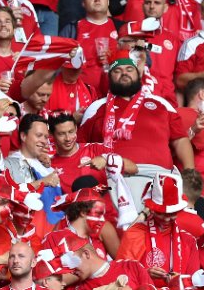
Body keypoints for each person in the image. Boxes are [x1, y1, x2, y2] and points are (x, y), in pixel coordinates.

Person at [78, 49, 193, 204]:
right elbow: (82, 148)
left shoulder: (161, 103)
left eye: (129, 69)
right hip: (113, 178)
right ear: (109, 77)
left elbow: (180, 140)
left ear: (138, 74)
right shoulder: (96, 107)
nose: (124, 73)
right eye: (117, 70)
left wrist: (190, 173)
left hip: (159, 177)